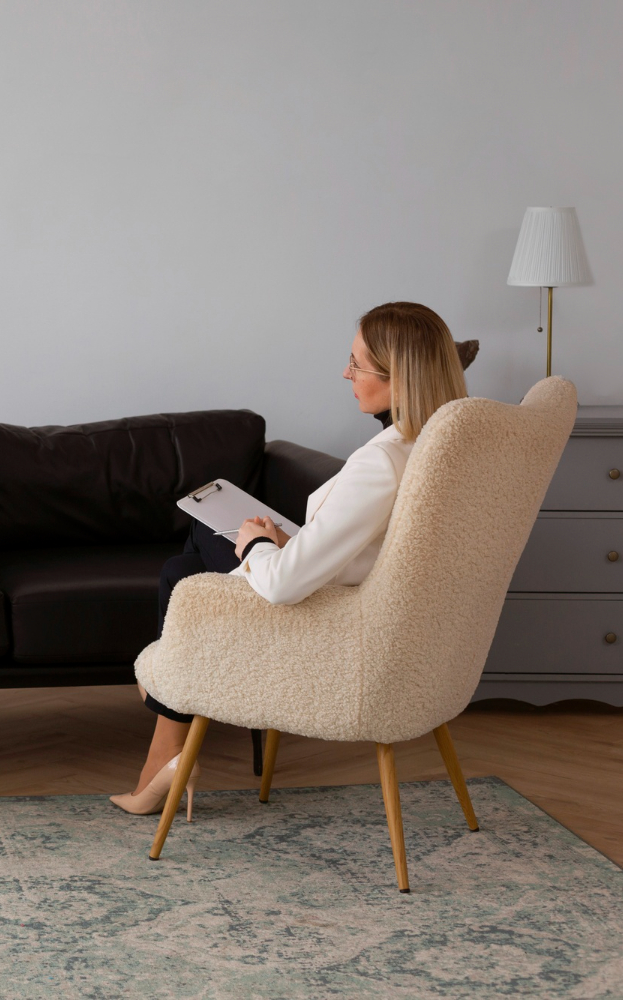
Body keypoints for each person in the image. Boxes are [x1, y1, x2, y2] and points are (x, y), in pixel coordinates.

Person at [111, 302, 469, 816]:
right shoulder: (435, 448)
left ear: (400, 376)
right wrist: (287, 539)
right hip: (349, 587)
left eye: (357, 364)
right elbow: (368, 551)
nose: (345, 373)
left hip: (331, 615)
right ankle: (168, 728)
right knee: (196, 542)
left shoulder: (382, 461)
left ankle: (167, 701)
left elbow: (282, 587)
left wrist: (258, 545)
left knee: (182, 567)